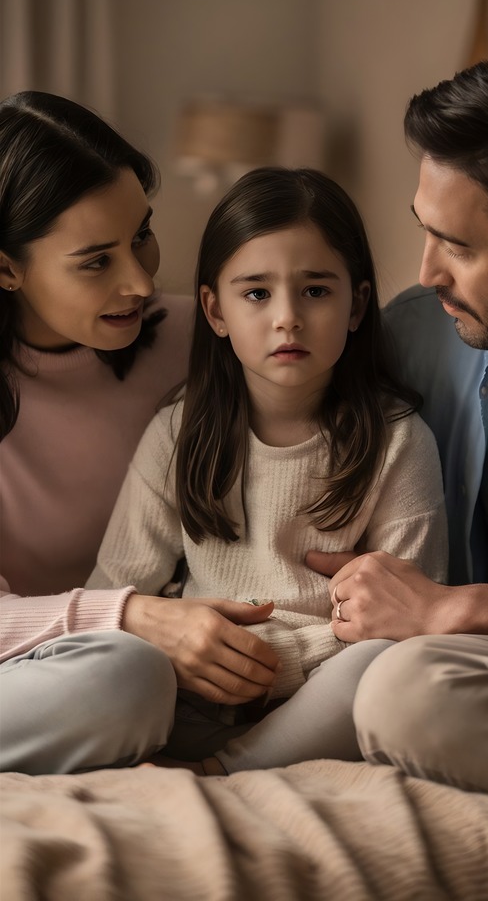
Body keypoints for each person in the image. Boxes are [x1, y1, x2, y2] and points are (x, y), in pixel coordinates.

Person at [87, 166, 448, 769]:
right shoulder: (177, 433)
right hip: (194, 687)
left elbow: (405, 620)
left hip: (322, 699)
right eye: (256, 293)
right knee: (118, 661)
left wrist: (285, 654)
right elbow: (114, 594)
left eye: (315, 290)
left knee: (385, 667)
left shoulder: (398, 441)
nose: (287, 317)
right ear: (214, 309)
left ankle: (232, 770)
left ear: (357, 304)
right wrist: (183, 647)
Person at [308, 53, 488, 820]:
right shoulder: (425, 331)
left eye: (458, 246)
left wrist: (452, 610)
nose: (427, 271)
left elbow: (449, 614)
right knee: (404, 695)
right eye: (424, 234)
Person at [0, 91, 278, 774]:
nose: (141, 280)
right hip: (48, 673)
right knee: (126, 680)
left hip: (163, 663)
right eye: (96, 261)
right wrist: (126, 617)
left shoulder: (203, 335)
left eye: (143, 235)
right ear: (6, 267)